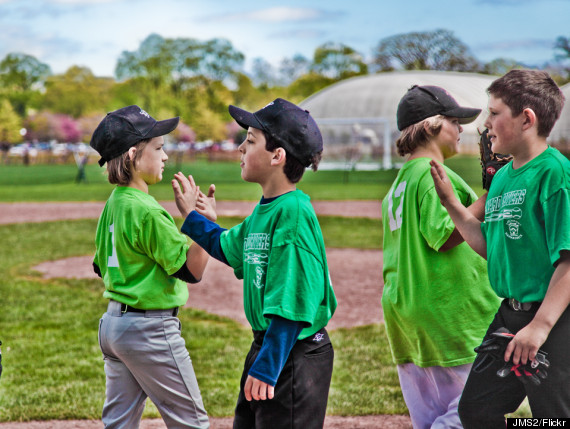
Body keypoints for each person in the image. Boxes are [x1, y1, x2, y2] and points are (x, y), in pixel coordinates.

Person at [173, 98, 337, 429]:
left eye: (250, 141)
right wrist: (194, 217)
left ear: (277, 157)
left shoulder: (292, 213)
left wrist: (268, 366)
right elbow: (228, 247)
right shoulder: (266, 209)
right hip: (269, 345)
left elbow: (291, 301)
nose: (240, 149)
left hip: (292, 351)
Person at [430, 69, 569, 426]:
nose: (486, 123)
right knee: (476, 410)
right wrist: (452, 206)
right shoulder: (504, 177)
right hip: (509, 316)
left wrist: (539, 327)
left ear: (527, 119)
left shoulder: (554, 174)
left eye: (494, 113)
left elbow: (568, 263)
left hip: (553, 319)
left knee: (554, 418)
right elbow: (494, 246)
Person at [381, 85, 500, 428]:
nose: (461, 129)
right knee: (470, 415)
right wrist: (492, 192)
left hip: (408, 313)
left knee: (432, 415)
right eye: (454, 121)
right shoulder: (432, 173)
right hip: (448, 314)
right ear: (432, 125)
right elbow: (446, 234)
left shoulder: (400, 182)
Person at [90, 105, 210, 429]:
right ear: (132, 155)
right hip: (149, 331)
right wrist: (202, 223)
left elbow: (101, 266)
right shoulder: (148, 210)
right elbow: (191, 270)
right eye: (158, 148)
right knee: (192, 423)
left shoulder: (114, 203)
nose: (165, 157)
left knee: (119, 424)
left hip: (114, 327)